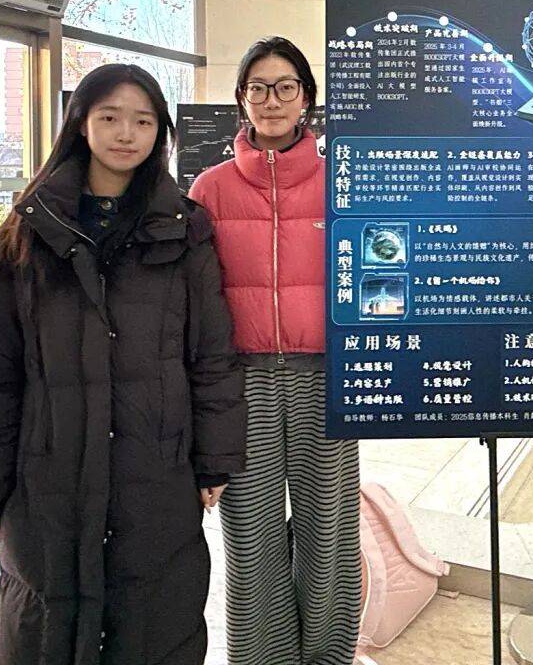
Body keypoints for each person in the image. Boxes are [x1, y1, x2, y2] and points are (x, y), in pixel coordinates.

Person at [0, 64, 246, 665]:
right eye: (110, 117)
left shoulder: (184, 232)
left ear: (161, 133)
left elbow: (211, 355)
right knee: (45, 627)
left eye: (143, 121)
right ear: (80, 124)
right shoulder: (24, 234)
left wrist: (215, 457)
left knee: (155, 624)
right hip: (46, 475)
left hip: (155, 473)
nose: (126, 133)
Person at [189, 37, 360, 665]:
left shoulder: (344, 180)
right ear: (242, 98)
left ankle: (328, 656)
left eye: (286, 86)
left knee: (328, 532)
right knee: (250, 536)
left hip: (327, 377)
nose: (272, 99)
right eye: (257, 87)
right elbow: (195, 301)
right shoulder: (209, 190)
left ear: (306, 97)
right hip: (242, 382)